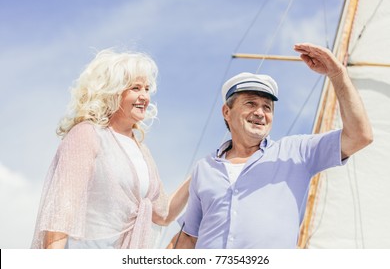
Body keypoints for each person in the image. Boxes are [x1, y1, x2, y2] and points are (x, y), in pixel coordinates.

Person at [167, 43, 373, 249]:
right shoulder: (205, 168)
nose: (260, 112)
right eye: (250, 103)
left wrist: (337, 74)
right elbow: (188, 238)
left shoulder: (296, 152)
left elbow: (359, 136)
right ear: (226, 112)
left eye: (267, 107)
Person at [31, 49, 190, 249]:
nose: (144, 97)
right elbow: (62, 213)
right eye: (135, 88)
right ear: (113, 92)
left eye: (147, 89)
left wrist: (200, 173)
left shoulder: (141, 150)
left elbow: (163, 213)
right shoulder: (87, 134)